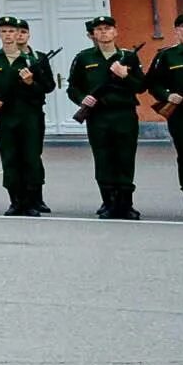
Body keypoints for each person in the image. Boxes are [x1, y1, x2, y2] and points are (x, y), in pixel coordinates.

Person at [67, 16, 147, 220]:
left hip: (124, 114)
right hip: (98, 116)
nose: (103, 32)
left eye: (108, 28)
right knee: (103, 159)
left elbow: (141, 86)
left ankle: (126, 204)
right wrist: (82, 99)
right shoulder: (84, 58)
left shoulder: (128, 56)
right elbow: (73, 87)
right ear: (93, 34)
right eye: (99, 29)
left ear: (115, 32)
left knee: (125, 158)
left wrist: (124, 75)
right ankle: (109, 202)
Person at [0, 16, 55, 215]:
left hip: (30, 115)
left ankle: (31, 201)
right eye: (5, 31)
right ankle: (15, 201)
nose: (9, 35)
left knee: (30, 158)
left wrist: (31, 84)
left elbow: (48, 87)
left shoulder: (33, 59)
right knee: (10, 158)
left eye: (13, 31)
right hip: (6, 116)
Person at [147, 6, 183, 209]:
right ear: (177, 31)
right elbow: (152, 83)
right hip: (181, 115)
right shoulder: (166, 56)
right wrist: (167, 95)